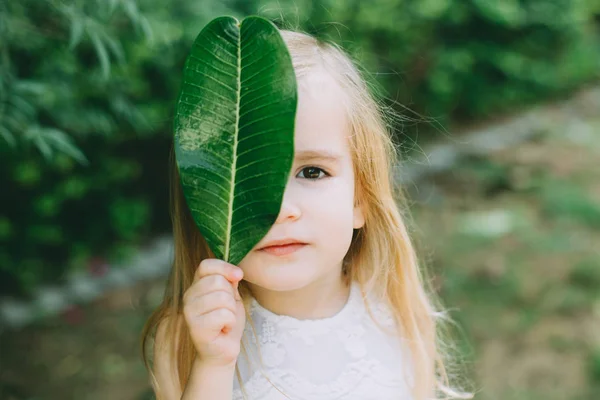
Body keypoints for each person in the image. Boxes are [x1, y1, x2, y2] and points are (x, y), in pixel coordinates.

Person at [141, 28, 472, 400]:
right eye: (252, 179)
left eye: (312, 172)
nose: (282, 210)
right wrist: (214, 363)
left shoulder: (397, 315)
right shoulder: (190, 338)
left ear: (359, 199)